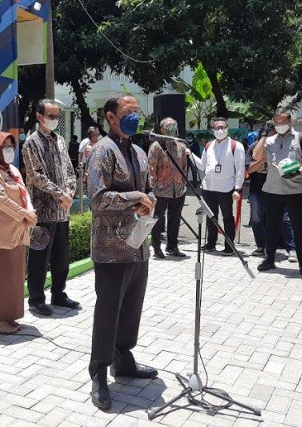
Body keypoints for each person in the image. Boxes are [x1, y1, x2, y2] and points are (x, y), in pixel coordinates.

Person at [86, 93, 158, 411]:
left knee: (131, 308)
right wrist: (135, 196)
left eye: (137, 111)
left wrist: (148, 199)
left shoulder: (140, 152)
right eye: (129, 111)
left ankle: (123, 359)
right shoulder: (102, 150)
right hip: (111, 249)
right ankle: (99, 373)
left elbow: (149, 187)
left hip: (138, 244)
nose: (135, 116)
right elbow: (98, 198)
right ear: (111, 116)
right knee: (108, 311)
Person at [21, 99, 78, 316]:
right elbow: (36, 176)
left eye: (57, 116)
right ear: (39, 117)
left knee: (61, 256)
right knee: (39, 256)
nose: (54, 120)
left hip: (63, 210)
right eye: (51, 116)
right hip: (43, 209)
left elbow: (70, 171)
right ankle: (36, 298)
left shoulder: (61, 141)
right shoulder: (31, 143)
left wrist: (70, 193)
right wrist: (60, 194)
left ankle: (59, 294)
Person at [0, 132, 38, 333]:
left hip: (17, 231)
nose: (9, 150)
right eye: (4, 147)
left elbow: (24, 191)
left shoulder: (11, 170)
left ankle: (8, 316)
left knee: (13, 277)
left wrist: (29, 210)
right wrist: (24, 214)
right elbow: (0, 199)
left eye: (11, 146)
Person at [252, 108, 302, 276]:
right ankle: (270, 259)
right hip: (272, 190)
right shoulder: (270, 140)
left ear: (290, 121)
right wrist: (265, 135)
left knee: (299, 228)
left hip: (297, 190)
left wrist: (298, 171)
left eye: (283, 122)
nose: (280, 125)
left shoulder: (301, 138)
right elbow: (256, 155)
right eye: (277, 122)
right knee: (271, 227)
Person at [195, 117, 245, 255]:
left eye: (223, 127)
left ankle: (229, 245)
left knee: (227, 217)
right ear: (213, 130)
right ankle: (211, 243)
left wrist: (237, 189)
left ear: (227, 128)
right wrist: (190, 154)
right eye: (217, 127)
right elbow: (202, 165)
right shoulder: (208, 145)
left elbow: (240, 169)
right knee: (211, 216)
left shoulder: (236, 146)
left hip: (227, 188)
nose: (220, 130)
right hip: (208, 187)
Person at [148, 117, 190, 258]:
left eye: (174, 125)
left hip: (178, 190)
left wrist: (183, 183)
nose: (172, 128)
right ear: (163, 129)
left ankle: (172, 246)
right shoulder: (156, 146)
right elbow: (151, 168)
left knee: (175, 219)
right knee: (158, 220)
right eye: (169, 126)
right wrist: (151, 188)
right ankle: (156, 247)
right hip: (161, 189)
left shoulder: (181, 146)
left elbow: (184, 167)